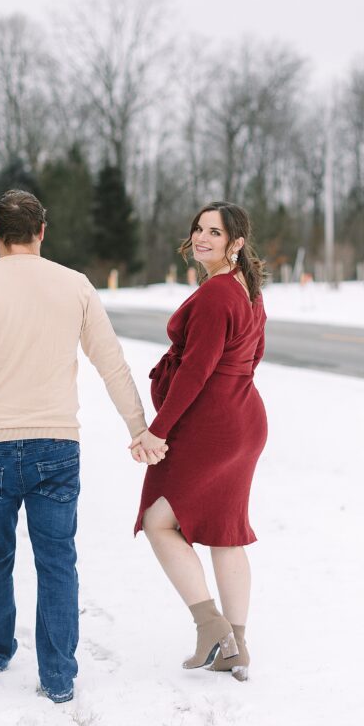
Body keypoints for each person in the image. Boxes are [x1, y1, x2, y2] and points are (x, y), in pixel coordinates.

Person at [0, 189, 166, 704]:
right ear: (43, 232)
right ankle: (58, 677)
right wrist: (138, 427)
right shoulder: (75, 286)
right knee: (57, 559)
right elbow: (112, 364)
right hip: (56, 445)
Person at [129, 201, 268, 681]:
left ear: (237, 243)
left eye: (215, 231)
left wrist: (157, 430)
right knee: (226, 533)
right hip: (244, 420)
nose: (203, 238)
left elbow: (195, 372)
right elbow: (252, 358)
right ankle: (237, 645)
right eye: (198, 229)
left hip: (211, 427)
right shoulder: (246, 289)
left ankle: (212, 629)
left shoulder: (214, 296)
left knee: (158, 521)